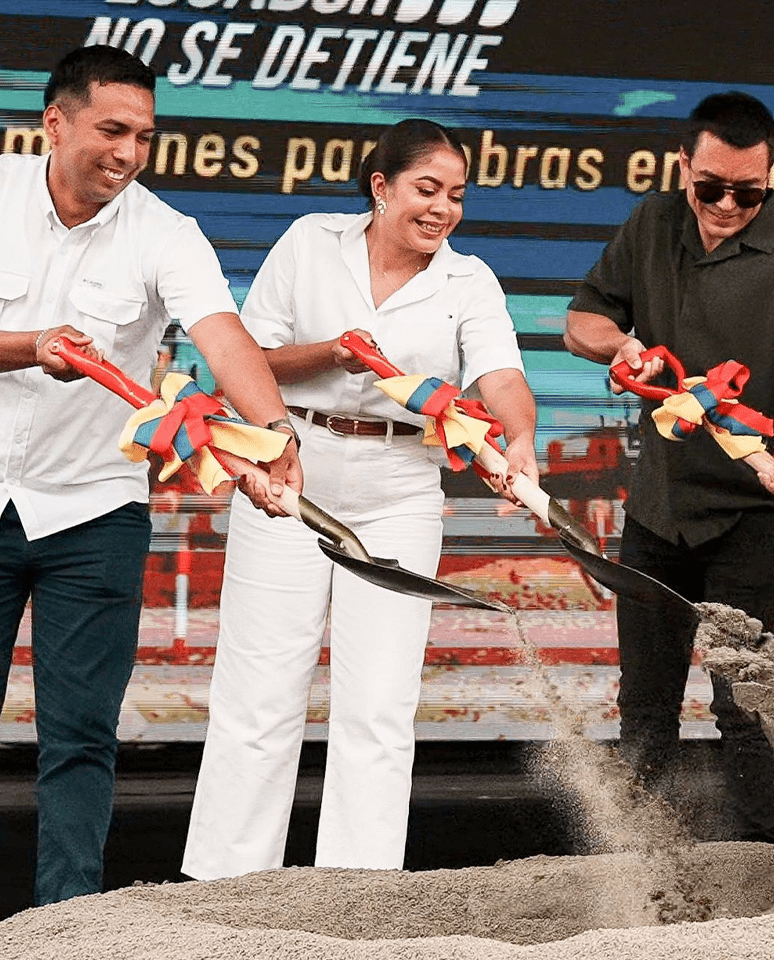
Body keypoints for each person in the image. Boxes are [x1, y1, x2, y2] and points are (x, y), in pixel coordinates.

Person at [0, 45, 302, 960]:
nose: (128, 152)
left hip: (94, 518)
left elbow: (223, 336)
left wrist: (276, 436)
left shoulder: (164, 230)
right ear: (56, 122)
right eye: (111, 130)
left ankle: (66, 942)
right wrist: (32, 344)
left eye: (145, 136)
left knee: (81, 741)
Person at [181, 118, 538, 876]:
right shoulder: (310, 243)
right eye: (426, 189)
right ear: (381, 187)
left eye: (456, 196)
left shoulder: (468, 280)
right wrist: (334, 352)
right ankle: (223, 887)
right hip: (290, 465)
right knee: (259, 689)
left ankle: (359, 888)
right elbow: (246, 361)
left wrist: (519, 441)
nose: (442, 209)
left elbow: (500, 378)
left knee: (378, 703)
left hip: (399, 483)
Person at [562, 92, 774, 840]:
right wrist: (620, 348)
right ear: (684, 168)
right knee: (646, 705)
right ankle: (638, 871)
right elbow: (581, 320)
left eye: (748, 192)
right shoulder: (652, 224)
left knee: (747, 704)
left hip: (755, 515)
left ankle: (761, 870)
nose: (727, 205)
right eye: (711, 187)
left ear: (771, 178)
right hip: (660, 509)